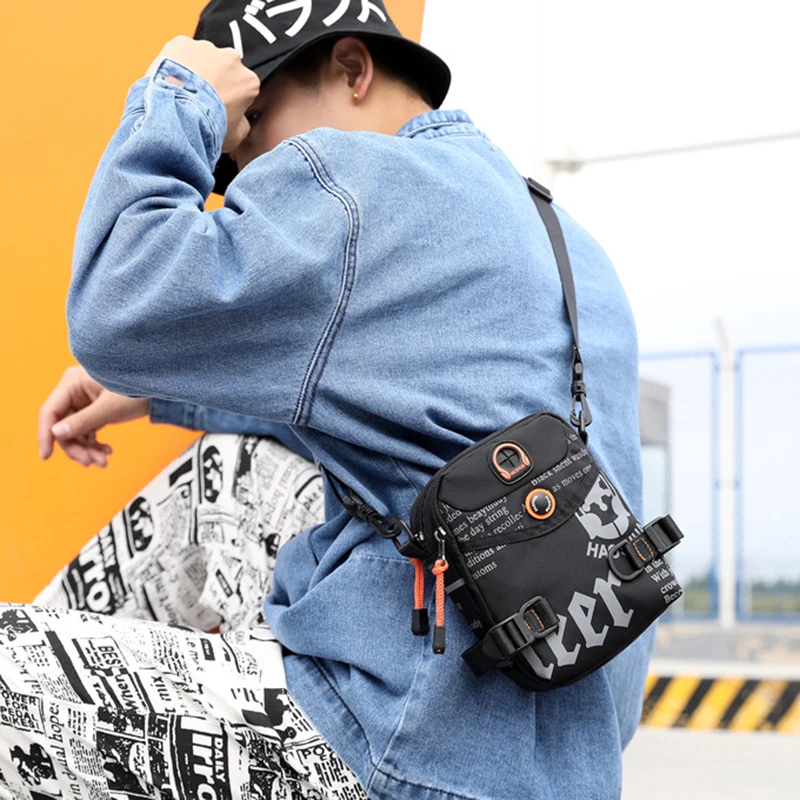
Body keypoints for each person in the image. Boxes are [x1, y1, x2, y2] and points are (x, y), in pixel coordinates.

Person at [4, 0, 655, 797]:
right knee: (231, 473)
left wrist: (183, 94)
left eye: (253, 132)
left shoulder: (354, 186)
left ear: (352, 68)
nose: (248, 181)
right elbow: (411, 426)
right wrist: (153, 397)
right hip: (559, 759)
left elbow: (112, 306)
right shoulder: (560, 235)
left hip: (399, 749)